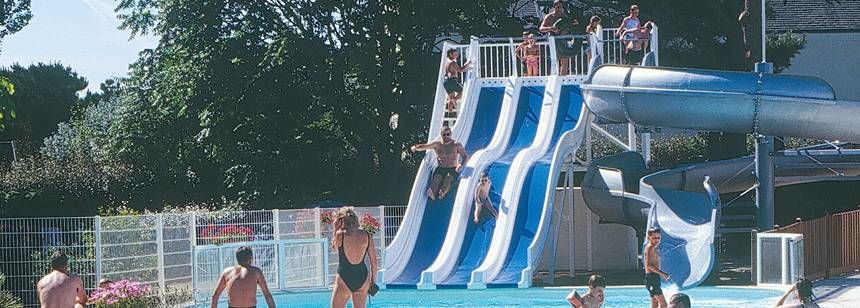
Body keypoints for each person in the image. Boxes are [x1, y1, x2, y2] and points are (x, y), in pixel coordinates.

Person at [330, 207, 379, 308]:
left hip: (344, 277)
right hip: (362, 277)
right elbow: (374, 262)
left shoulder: (340, 235)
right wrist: (373, 282)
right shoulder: (367, 235)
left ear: (341, 221)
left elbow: (334, 247)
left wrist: (335, 229)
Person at [411, 126, 469, 200]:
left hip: (453, 168)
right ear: (441, 135)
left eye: (448, 134)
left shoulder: (456, 145)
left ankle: (442, 192)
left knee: (448, 179)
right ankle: (431, 191)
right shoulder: (437, 145)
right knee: (437, 178)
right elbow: (425, 146)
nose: (446, 136)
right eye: (444, 135)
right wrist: (415, 147)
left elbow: (465, 157)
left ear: (451, 134)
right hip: (440, 168)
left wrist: (461, 165)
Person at [210, 246, 276, 308]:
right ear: (250, 258)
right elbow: (267, 294)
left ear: (237, 258)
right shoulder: (256, 271)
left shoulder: (227, 272)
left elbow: (215, 296)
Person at [540, 0, 580, 75]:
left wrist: (575, 24)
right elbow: (541, 29)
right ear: (554, 7)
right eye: (557, 7)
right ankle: (555, 77)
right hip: (553, 40)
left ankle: (562, 79)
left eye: (561, 7)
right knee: (555, 60)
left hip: (562, 40)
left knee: (565, 60)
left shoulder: (564, 17)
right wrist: (551, 28)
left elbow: (571, 27)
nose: (559, 9)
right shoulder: (549, 17)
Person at [644, 228, 670, 308]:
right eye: (654, 238)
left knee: (655, 304)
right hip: (651, 278)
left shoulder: (655, 248)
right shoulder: (650, 248)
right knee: (664, 304)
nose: (657, 240)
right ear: (649, 237)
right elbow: (649, 265)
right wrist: (662, 274)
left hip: (654, 278)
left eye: (658, 238)